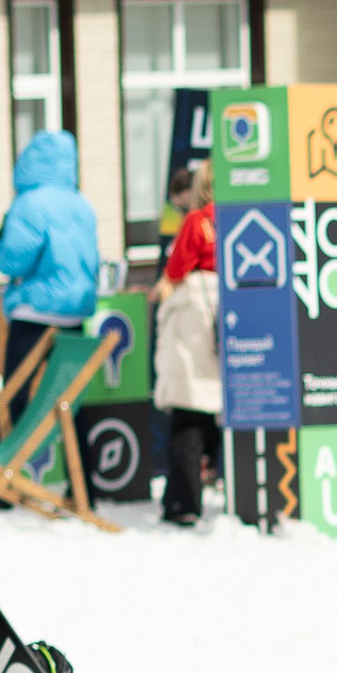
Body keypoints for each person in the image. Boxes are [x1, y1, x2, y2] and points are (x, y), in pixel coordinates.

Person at [0, 129, 99, 426]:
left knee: (15, 397)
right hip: (74, 317)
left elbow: (14, 261)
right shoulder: (81, 204)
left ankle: (9, 467)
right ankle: (82, 471)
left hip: (35, 313)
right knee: (73, 402)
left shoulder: (29, 203)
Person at [150, 162, 219, 525]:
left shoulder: (196, 222)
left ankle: (183, 502)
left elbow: (176, 271)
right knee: (220, 411)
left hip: (195, 316)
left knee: (188, 411)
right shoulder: (242, 216)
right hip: (232, 320)